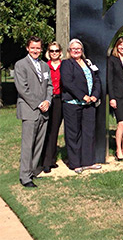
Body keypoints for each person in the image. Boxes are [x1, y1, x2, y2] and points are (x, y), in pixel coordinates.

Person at [14, 36, 53, 187]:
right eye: (33, 48)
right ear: (27, 48)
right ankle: (24, 177)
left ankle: (32, 172)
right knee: (28, 144)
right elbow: (22, 88)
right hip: (30, 110)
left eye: (38, 48)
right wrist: (38, 103)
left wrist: (47, 101)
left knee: (38, 144)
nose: (35, 50)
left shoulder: (44, 65)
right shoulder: (21, 65)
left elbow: (49, 86)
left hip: (44, 110)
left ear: (41, 49)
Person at [60, 39, 102, 174]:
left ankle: (88, 161)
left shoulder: (87, 63)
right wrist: (82, 96)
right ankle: (75, 163)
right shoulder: (66, 64)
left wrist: (95, 95)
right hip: (73, 104)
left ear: (82, 50)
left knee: (88, 133)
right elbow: (68, 83)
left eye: (79, 48)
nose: (76, 50)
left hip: (89, 104)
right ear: (69, 51)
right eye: (73, 48)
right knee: (73, 133)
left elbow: (96, 80)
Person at [42, 42, 64, 173]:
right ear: (48, 52)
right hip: (47, 100)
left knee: (54, 129)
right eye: (51, 51)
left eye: (56, 51)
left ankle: (51, 159)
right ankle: (45, 161)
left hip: (60, 100)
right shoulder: (45, 66)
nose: (54, 53)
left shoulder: (65, 65)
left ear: (60, 52)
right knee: (47, 129)